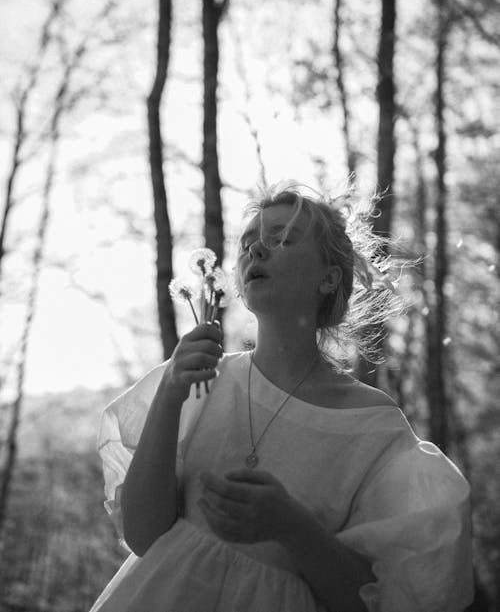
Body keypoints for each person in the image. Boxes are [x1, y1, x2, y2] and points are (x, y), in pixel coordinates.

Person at [89, 184, 473, 612]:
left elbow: (366, 600)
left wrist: (290, 525)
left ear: (329, 277)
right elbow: (144, 536)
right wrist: (168, 394)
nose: (256, 252)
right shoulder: (200, 383)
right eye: (249, 244)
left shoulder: (373, 427)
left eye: (282, 239)